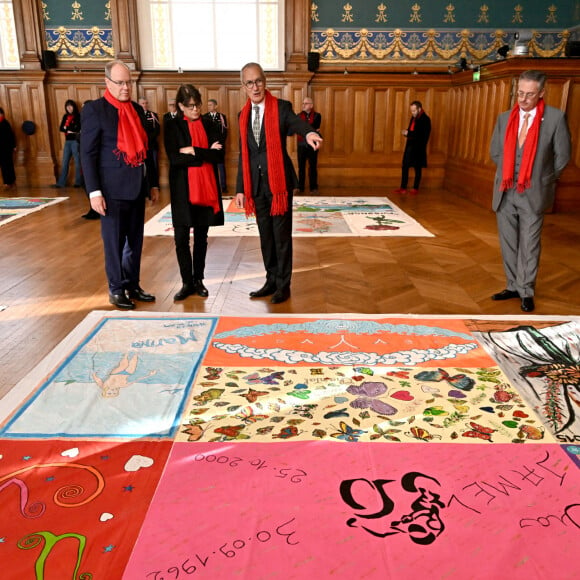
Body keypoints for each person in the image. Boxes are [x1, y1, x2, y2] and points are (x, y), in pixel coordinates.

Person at [235, 62, 323, 304]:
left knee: (281, 236)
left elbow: (296, 123)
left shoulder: (281, 108)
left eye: (259, 81)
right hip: (256, 185)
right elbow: (244, 154)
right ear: (244, 86)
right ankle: (271, 279)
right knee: (266, 236)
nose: (255, 87)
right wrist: (240, 188)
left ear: (265, 81)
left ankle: (284, 284)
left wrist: (309, 133)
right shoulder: (242, 115)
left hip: (279, 184)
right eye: (250, 83)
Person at [80, 59, 159, 310]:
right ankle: (116, 288)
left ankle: (132, 283)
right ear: (107, 83)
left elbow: (147, 150)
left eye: (129, 82)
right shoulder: (95, 110)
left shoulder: (136, 110)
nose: (126, 87)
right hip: (110, 191)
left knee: (135, 241)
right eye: (121, 82)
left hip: (136, 186)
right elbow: (87, 154)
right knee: (114, 242)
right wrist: (94, 192)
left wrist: (153, 183)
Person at [490, 69, 571, 313]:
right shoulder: (505, 118)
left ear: (542, 93)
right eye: (520, 94)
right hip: (506, 190)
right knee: (509, 243)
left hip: (534, 192)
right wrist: (510, 175)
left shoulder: (555, 118)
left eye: (529, 95)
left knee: (530, 243)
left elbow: (563, 156)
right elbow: (496, 151)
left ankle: (526, 290)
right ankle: (512, 285)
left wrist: (543, 179)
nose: (523, 99)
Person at [164, 84, 224, 301]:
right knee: (181, 238)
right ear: (180, 106)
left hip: (206, 189)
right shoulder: (171, 125)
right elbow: (174, 158)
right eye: (190, 107)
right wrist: (205, 154)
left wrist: (192, 150)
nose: (195, 110)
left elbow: (219, 157)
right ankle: (186, 282)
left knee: (201, 237)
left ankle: (198, 280)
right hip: (182, 189)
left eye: (197, 105)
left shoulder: (210, 123)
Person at [393, 101, 431, 195]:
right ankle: (403, 188)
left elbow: (421, 135)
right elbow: (412, 130)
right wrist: (407, 132)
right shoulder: (414, 118)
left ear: (419, 109)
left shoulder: (425, 119)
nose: (412, 112)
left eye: (414, 110)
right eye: (411, 111)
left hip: (419, 147)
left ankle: (415, 188)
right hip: (410, 145)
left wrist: (408, 133)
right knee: (405, 165)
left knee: (417, 167)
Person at [53, 99, 82, 188]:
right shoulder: (65, 116)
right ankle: (61, 183)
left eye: (70, 106)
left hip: (75, 141)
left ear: (74, 107)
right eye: (67, 106)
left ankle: (78, 182)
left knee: (78, 162)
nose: (69, 108)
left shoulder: (78, 116)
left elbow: (78, 128)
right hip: (67, 141)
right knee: (65, 162)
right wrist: (68, 129)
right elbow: (61, 128)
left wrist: (69, 128)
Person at [297, 97, 322, 194]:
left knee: (313, 167)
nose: (303, 105)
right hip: (301, 145)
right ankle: (300, 188)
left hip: (313, 145)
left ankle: (313, 188)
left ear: (311, 105)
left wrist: (307, 129)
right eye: (303, 103)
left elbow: (314, 126)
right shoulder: (298, 116)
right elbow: (301, 128)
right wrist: (312, 130)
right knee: (301, 167)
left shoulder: (317, 115)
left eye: (306, 103)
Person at [203, 98, 228, 192]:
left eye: (210, 105)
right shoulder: (204, 117)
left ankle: (223, 186)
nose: (209, 107)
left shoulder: (222, 117)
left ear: (215, 106)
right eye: (208, 105)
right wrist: (210, 145)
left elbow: (224, 132)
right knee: (210, 167)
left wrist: (219, 143)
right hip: (209, 146)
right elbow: (204, 133)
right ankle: (211, 187)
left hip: (220, 145)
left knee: (221, 166)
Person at [138, 97, 161, 177]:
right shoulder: (136, 115)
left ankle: (154, 185)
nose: (145, 105)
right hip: (140, 145)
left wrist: (148, 139)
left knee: (154, 165)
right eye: (143, 103)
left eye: (146, 103)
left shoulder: (153, 115)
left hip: (152, 144)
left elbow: (157, 129)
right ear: (139, 104)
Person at [0, 107, 17, 189]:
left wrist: (14, 146)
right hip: (1, 149)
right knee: (3, 166)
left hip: (6, 148)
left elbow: (11, 136)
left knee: (8, 165)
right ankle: (7, 182)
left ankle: (11, 182)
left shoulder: (5, 123)